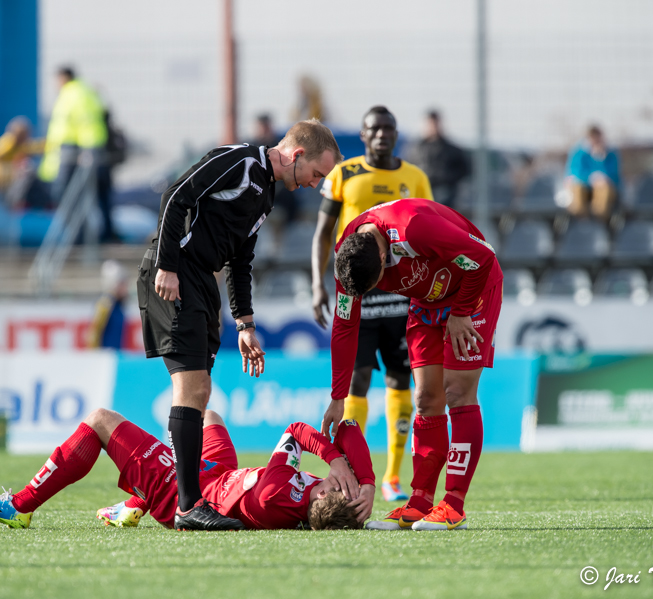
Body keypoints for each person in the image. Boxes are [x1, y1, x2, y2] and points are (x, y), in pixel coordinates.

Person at [140, 119, 343, 530]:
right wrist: (166, 266)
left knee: (199, 390)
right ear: (297, 155)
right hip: (176, 275)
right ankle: (187, 506)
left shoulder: (265, 195)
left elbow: (240, 260)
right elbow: (175, 195)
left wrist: (245, 323)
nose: (315, 183)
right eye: (317, 174)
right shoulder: (243, 161)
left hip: (201, 283)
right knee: (192, 387)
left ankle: (186, 502)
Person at [322, 198, 502, 532]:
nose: (373, 291)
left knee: (457, 393)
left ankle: (453, 505)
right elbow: (345, 326)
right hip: (427, 300)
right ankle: (420, 501)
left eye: (375, 285)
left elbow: (483, 257)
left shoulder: (414, 229)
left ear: (381, 256)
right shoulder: (348, 257)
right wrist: (338, 396)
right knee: (425, 399)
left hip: (471, 293)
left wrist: (461, 312)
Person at [0, 408, 375, 531]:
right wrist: (367, 483)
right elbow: (349, 426)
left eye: (335, 486)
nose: (338, 483)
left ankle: (20, 506)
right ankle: (131, 504)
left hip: (185, 492)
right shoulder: (322, 501)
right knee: (208, 414)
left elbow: (296, 430)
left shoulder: (279, 490)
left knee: (100, 421)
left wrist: (337, 461)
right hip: (219, 477)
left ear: (321, 495)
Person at [311, 106, 434, 503]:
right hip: (358, 289)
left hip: (400, 291)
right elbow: (322, 234)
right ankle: (353, 466)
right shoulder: (343, 174)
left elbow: (426, 229)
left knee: (400, 380)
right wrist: (318, 284)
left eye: (388, 128)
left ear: (397, 134)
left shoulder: (415, 178)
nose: (381, 135)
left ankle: (394, 476)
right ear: (362, 137)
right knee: (358, 380)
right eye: (373, 129)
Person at [37, 66, 117, 242]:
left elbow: (85, 125)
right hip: (82, 151)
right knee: (97, 196)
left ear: (63, 78)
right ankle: (100, 235)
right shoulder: (83, 92)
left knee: (69, 196)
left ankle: (80, 237)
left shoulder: (73, 94)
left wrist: (88, 152)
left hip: (74, 153)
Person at [409, 110, 471, 208]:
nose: (432, 127)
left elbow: (465, 169)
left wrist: (447, 179)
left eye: (435, 124)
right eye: (429, 124)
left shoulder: (451, 149)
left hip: (443, 192)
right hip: (422, 191)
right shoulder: (416, 149)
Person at [565, 125, 620, 220]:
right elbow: (575, 173)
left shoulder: (610, 154)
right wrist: (591, 179)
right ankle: (581, 220)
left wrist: (600, 160)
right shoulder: (579, 153)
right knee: (577, 189)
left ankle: (599, 220)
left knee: (604, 190)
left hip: (604, 188)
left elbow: (615, 175)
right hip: (585, 187)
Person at [86, 260, 128, 349]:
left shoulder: (119, 305)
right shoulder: (105, 305)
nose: (125, 288)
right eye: (122, 284)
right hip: (106, 358)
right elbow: (94, 332)